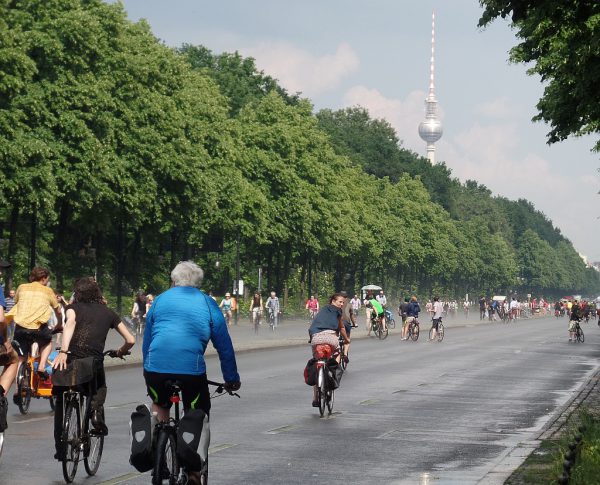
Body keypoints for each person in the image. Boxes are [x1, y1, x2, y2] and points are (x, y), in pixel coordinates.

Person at [142, 261, 240, 483]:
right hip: (191, 371)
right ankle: (195, 471)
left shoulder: (159, 301)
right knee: (198, 412)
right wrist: (231, 379)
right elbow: (224, 345)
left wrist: (148, 369)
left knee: (159, 405)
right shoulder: (207, 303)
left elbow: (147, 341)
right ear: (198, 282)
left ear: (174, 280)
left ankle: (157, 444)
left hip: (155, 368)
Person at [52, 277, 135, 459]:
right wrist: (120, 351)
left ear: (77, 294)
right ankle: (95, 413)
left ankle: (60, 447)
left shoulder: (72, 308)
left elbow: (71, 323)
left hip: (71, 359)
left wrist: (64, 351)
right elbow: (131, 340)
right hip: (92, 361)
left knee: (60, 400)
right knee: (98, 388)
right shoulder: (109, 313)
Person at [9, 267, 61, 389]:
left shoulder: (21, 287)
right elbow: (58, 310)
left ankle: (18, 390)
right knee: (47, 342)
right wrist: (59, 325)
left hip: (20, 327)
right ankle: (42, 366)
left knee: (21, 358)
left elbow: (17, 302)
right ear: (44, 278)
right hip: (38, 328)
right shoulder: (47, 290)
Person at [308, 293, 350, 407]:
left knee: (317, 362)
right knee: (337, 354)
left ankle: (315, 398)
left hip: (316, 337)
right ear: (333, 301)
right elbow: (341, 327)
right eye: (340, 302)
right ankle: (332, 371)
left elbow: (312, 326)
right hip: (331, 338)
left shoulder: (321, 311)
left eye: (342, 302)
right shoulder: (338, 311)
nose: (341, 304)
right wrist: (347, 340)